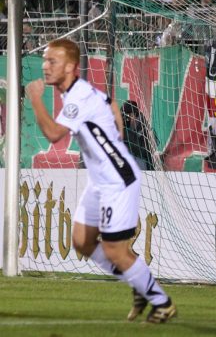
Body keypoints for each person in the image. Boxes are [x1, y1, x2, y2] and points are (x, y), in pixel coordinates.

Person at [25, 38, 176, 323]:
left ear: (70, 66)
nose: (45, 66)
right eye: (45, 60)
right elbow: (109, 102)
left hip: (117, 179)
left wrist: (35, 99)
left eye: (52, 61)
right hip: (99, 180)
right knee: (82, 241)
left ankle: (161, 301)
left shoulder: (77, 97)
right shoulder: (77, 91)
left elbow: (55, 134)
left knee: (114, 250)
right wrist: (115, 134)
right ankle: (139, 282)